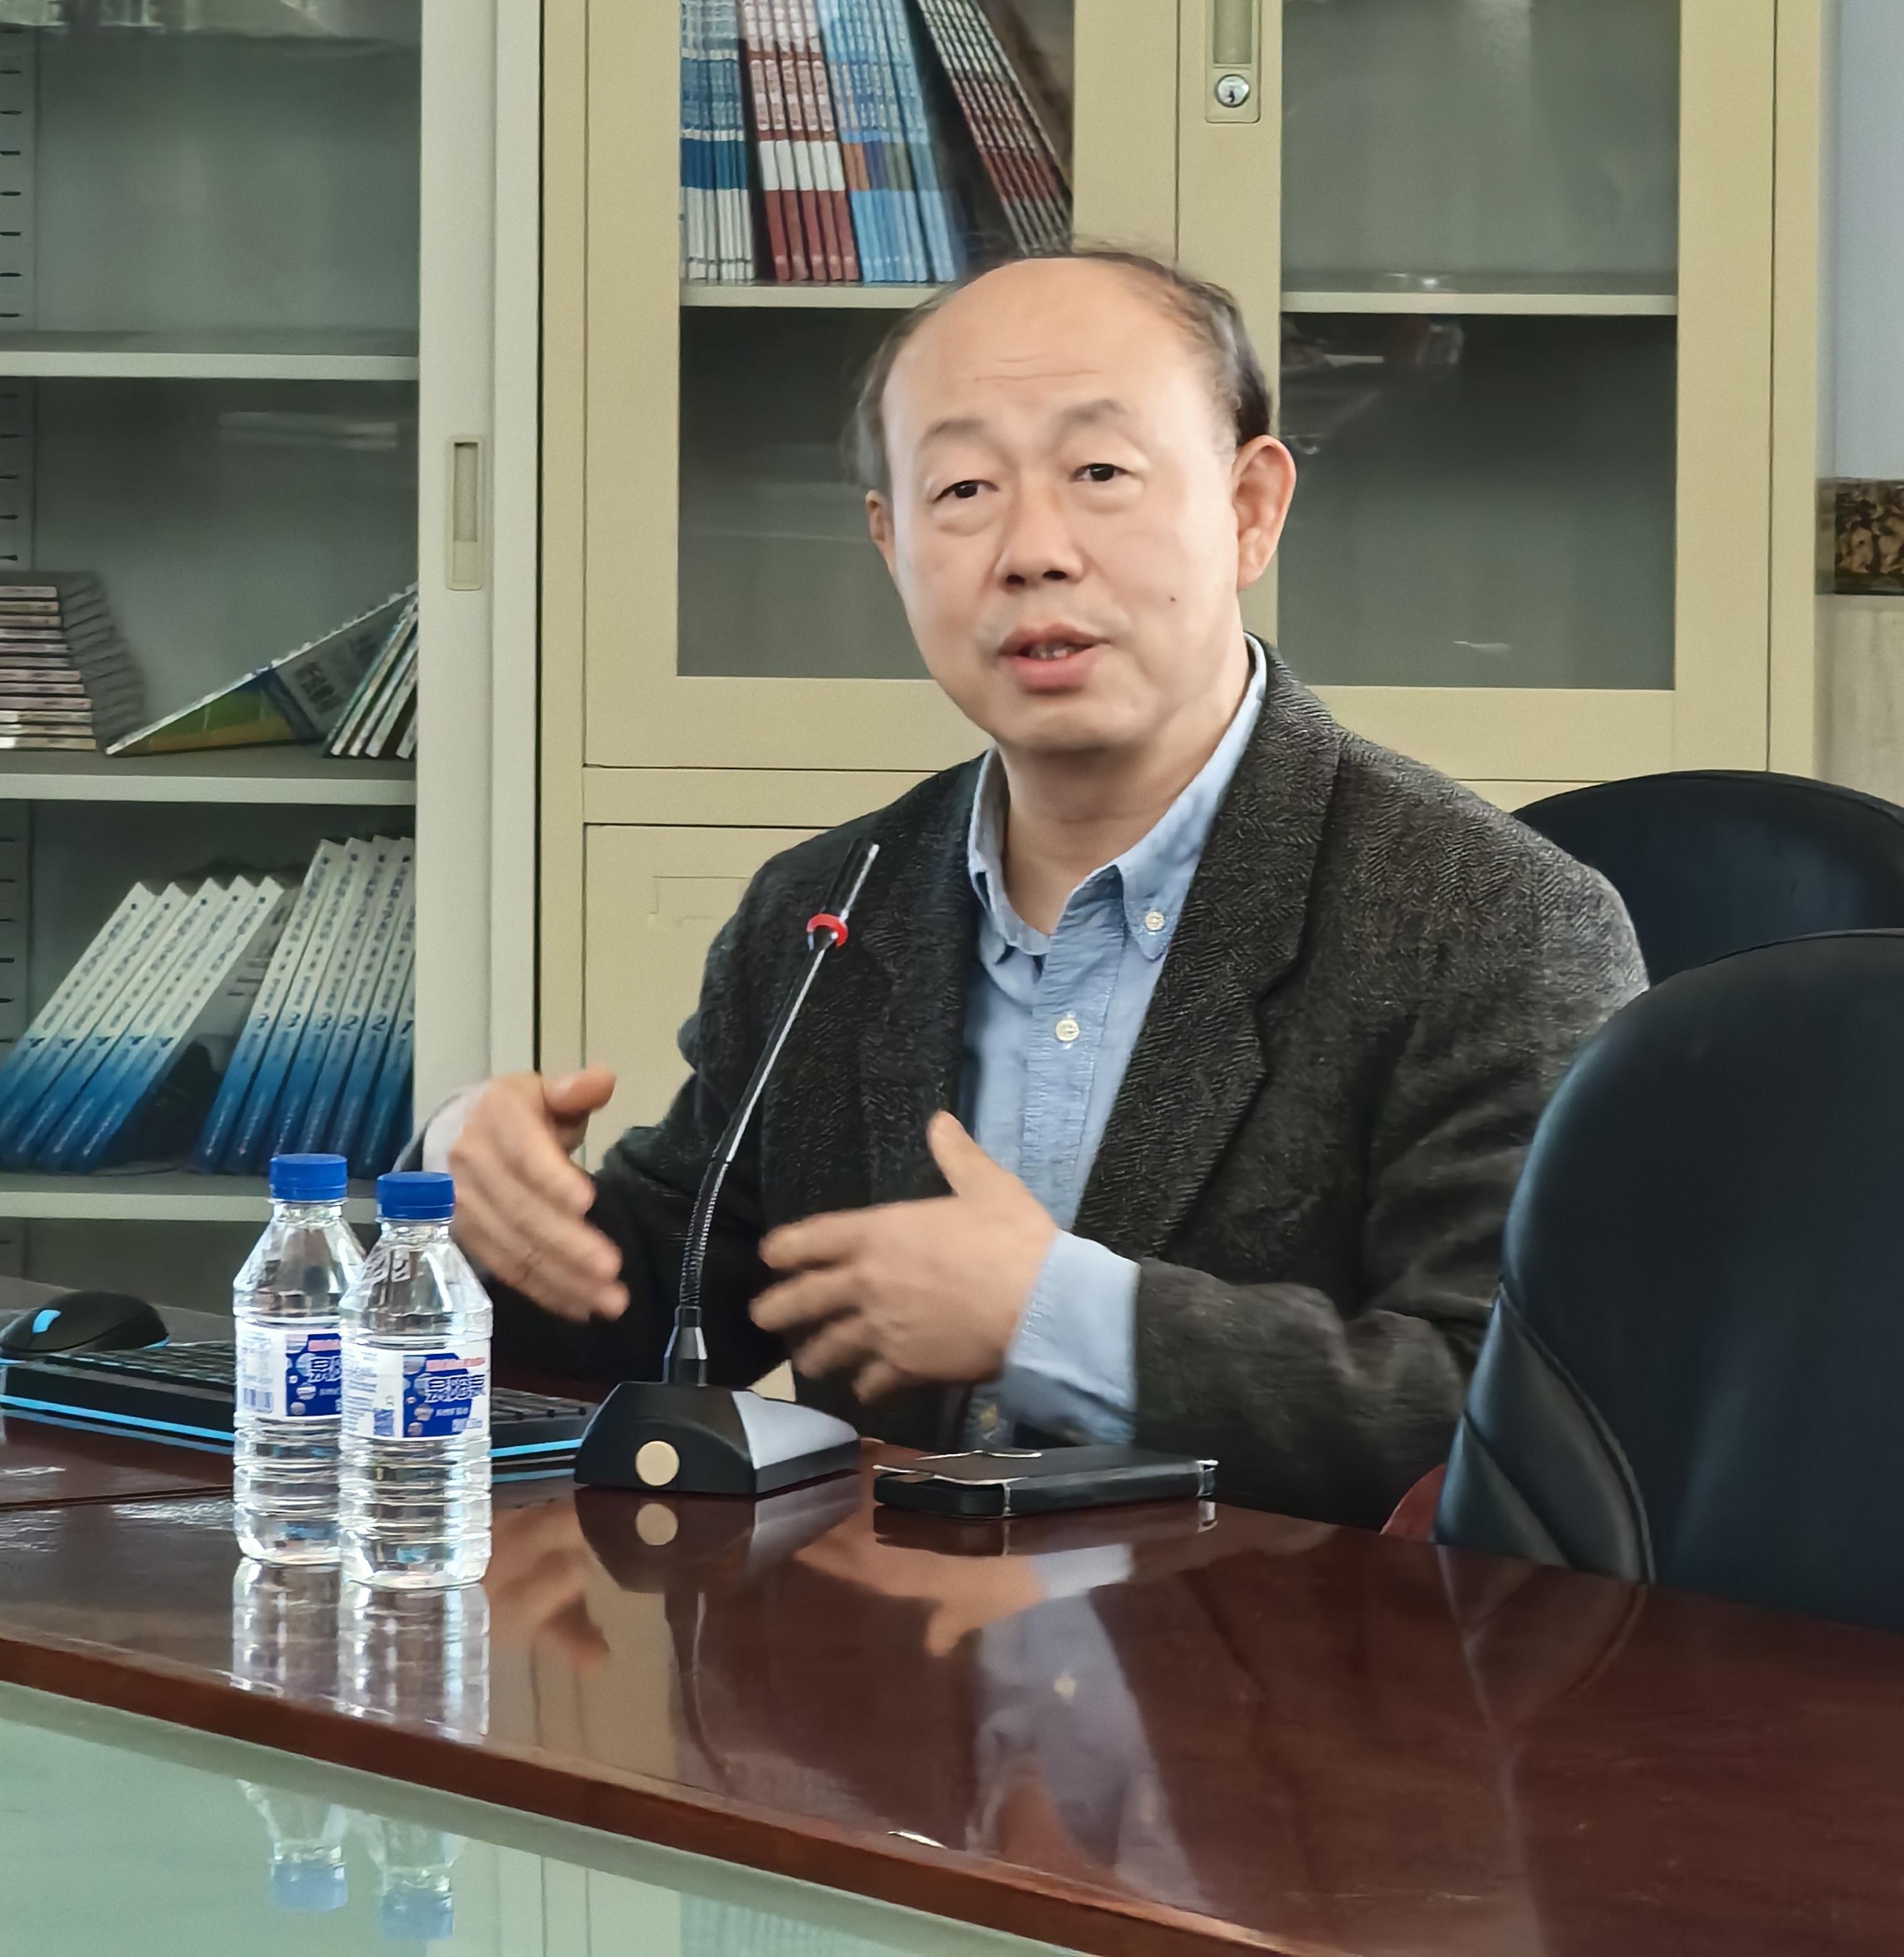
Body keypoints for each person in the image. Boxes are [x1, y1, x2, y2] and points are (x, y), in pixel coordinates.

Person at [430, 251, 1644, 1524]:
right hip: (886, 1638)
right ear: (891, 541)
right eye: (963, 489)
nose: (1034, 552)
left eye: (1101, 472)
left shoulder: (1490, 921)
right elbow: (659, 1322)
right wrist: (473, 1196)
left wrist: (1059, 1319)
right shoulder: (829, 909)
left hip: (1273, 1647)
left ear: (1250, 508)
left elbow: (1516, 1419)